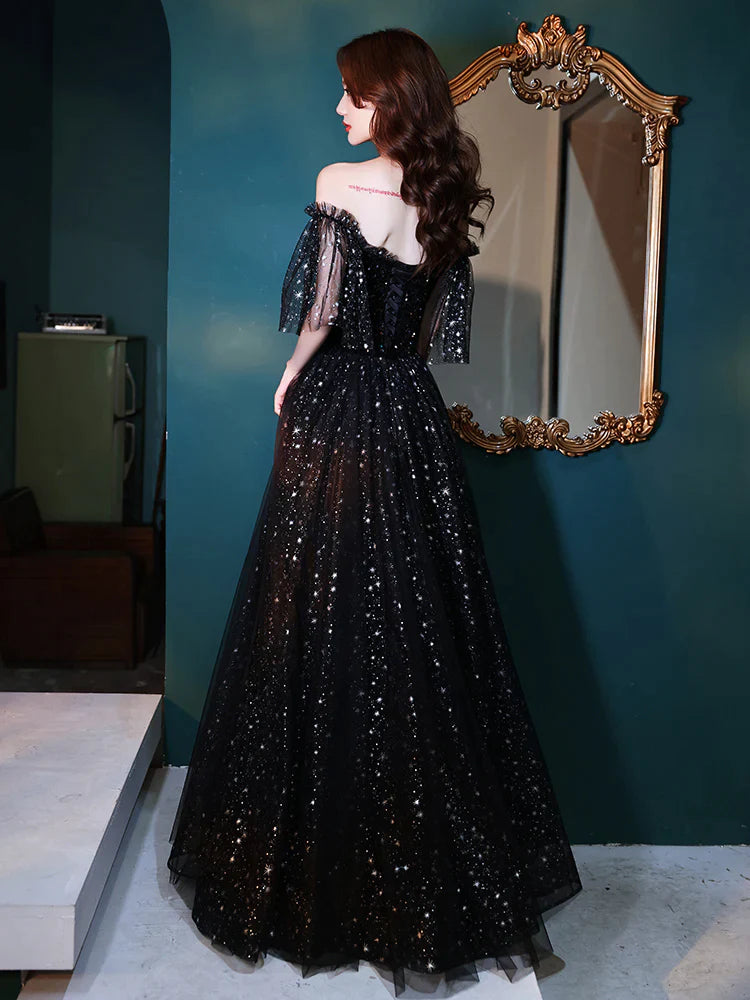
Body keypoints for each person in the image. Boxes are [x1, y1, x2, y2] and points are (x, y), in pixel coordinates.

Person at [167, 26, 582, 996]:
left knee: (313, 618)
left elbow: (323, 309)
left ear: (390, 99)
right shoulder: (443, 196)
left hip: (340, 410)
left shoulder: (336, 183)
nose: (340, 109)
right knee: (418, 630)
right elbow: (428, 333)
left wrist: (289, 374)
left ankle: (318, 865)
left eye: (352, 95)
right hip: (411, 417)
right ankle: (416, 875)